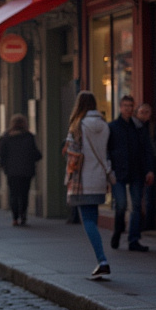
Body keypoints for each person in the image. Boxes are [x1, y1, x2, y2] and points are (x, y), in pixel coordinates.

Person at [64, 90, 113, 280]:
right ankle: (101, 261)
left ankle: (102, 260)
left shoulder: (78, 126)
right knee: (93, 216)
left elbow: (72, 156)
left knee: (89, 221)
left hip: (83, 180)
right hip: (99, 177)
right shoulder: (104, 125)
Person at [107, 95, 155, 252]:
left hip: (136, 172)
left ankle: (134, 239)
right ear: (120, 107)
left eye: (130, 105)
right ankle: (118, 230)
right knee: (121, 205)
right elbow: (106, 149)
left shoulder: (139, 127)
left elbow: (147, 150)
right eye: (125, 105)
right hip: (118, 171)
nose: (128, 108)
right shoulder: (112, 127)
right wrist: (109, 169)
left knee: (135, 206)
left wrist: (149, 170)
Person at [0, 114, 42, 226]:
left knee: (14, 194)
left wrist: (3, 165)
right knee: (24, 194)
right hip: (26, 170)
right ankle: (23, 215)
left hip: (12, 171)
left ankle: (15, 218)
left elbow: (1, 154)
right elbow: (36, 154)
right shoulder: (29, 136)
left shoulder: (7, 137)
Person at [136, 103, 156, 231]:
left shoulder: (152, 128)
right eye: (142, 112)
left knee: (150, 195)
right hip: (137, 166)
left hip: (152, 165)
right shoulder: (134, 127)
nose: (144, 115)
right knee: (138, 195)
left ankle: (149, 223)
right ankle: (139, 222)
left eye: (147, 112)